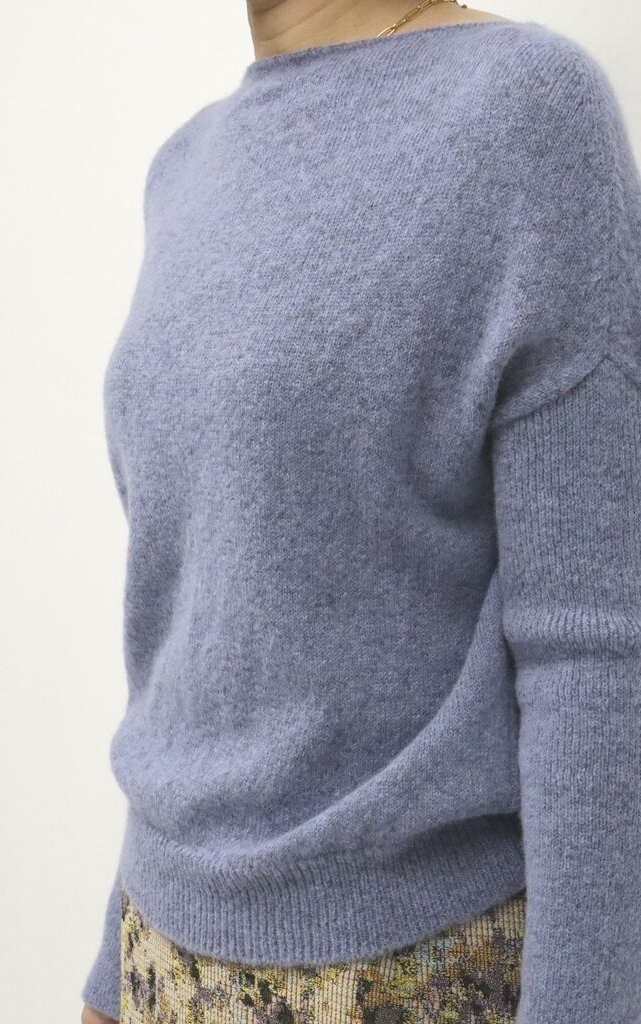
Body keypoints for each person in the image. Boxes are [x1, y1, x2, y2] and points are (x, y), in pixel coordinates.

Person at [81, 1, 641, 1021]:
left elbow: (595, 652)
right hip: (158, 958)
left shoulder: (527, 112)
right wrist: (109, 977)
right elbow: (191, 626)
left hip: (404, 980)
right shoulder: (184, 167)